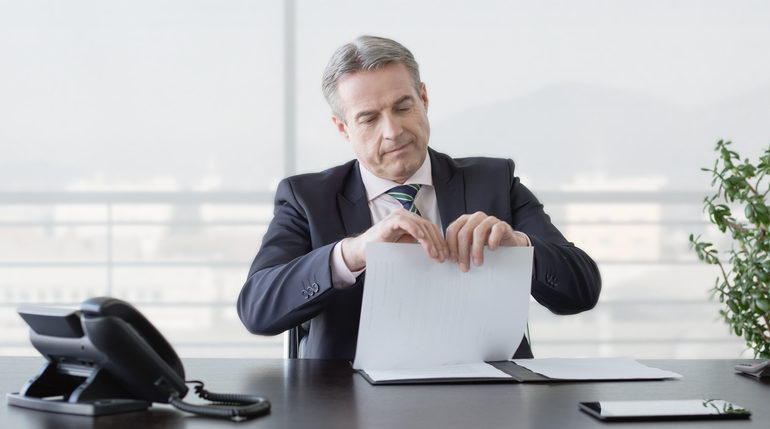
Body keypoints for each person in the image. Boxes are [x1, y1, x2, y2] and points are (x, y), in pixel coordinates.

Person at [237, 35, 601, 359]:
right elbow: (256, 308)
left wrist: (522, 248)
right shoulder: (306, 199)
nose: (393, 131)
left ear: (423, 99)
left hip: (492, 394)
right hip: (349, 400)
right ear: (342, 128)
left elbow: (582, 290)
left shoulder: (494, 181)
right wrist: (354, 252)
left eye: (403, 107)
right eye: (368, 119)